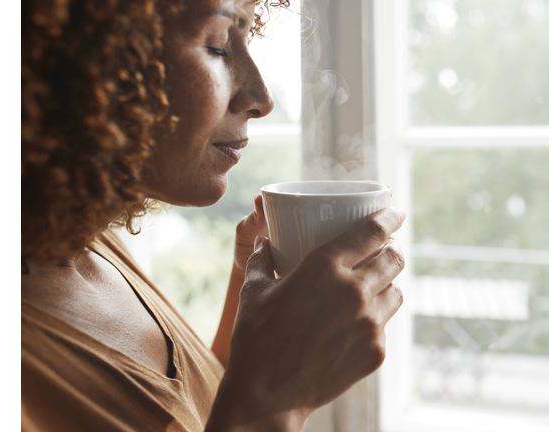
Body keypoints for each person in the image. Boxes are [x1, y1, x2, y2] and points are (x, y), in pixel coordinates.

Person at [21, 0, 406, 430]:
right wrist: (272, 406)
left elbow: (201, 412)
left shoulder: (85, 243)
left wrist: (253, 292)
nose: (261, 99)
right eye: (220, 46)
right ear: (91, 58)